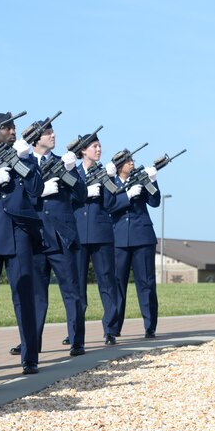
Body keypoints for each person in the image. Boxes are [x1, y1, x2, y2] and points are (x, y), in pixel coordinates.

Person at [0, 113, 43, 375]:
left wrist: (25, 160)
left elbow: (36, 189)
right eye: (7, 128)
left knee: (24, 297)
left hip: (18, 232)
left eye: (14, 127)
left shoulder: (24, 155)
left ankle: (30, 356)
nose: (13, 132)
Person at [12, 120, 87, 356]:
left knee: (72, 291)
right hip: (34, 235)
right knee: (35, 296)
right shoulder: (23, 161)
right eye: (47, 132)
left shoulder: (61, 163)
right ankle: (31, 343)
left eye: (53, 131)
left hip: (61, 234)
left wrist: (73, 171)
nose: (53, 135)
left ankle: (77, 340)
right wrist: (39, 191)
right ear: (35, 138)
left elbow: (82, 194)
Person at [71, 132, 119, 345]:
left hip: (101, 233)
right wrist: (84, 192)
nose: (99, 150)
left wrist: (109, 179)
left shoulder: (104, 172)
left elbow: (111, 204)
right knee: (77, 286)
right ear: (83, 150)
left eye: (100, 146)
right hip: (79, 233)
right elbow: (67, 198)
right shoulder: (73, 171)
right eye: (94, 147)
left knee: (107, 282)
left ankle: (110, 329)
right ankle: (75, 332)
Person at [106, 156, 160, 338]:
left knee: (146, 283)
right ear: (119, 165)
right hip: (118, 238)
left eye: (132, 161)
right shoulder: (111, 181)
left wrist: (153, 181)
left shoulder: (141, 179)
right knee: (117, 284)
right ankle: (114, 328)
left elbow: (154, 202)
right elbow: (109, 206)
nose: (132, 164)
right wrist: (127, 196)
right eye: (128, 161)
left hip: (142, 237)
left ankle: (150, 326)